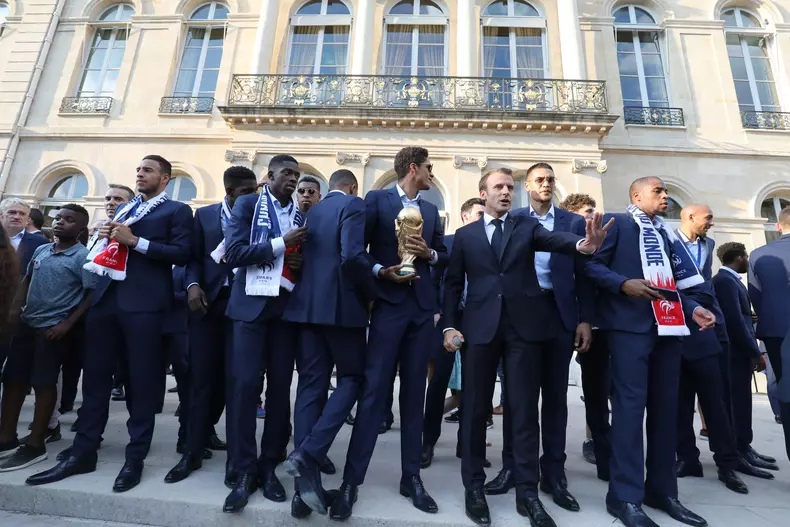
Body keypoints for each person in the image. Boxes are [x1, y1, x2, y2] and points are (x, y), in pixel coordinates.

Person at [443, 168, 610, 527]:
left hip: (523, 331)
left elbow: (556, 241)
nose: (506, 192)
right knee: (474, 410)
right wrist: (449, 325)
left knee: (522, 411)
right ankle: (474, 488)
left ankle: (527, 493)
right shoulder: (466, 236)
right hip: (480, 331)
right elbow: (453, 284)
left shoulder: (526, 226)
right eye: (498, 187)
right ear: (483, 194)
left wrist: (583, 244)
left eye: (509, 187)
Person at [25, 155, 193, 492]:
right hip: (105, 302)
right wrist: (106, 236)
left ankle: (135, 456)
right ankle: (84, 451)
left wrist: (135, 242)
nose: (140, 174)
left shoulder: (175, 211)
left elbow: (183, 253)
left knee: (142, 383)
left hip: (144, 306)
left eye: (147, 170)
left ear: (164, 178)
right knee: (96, 380)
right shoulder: (127, 209)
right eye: (138, 169)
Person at [585, 177, 716, 527]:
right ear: (636, 195)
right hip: (629, 330)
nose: (665, 195)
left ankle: (662, 490)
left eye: (666, 191)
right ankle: (624, 497)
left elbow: (670, 285)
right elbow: (589, 266)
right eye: (658, 191)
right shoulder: (617, 223)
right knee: (629, 412)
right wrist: (622, 284)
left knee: (667, 412)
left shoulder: (668, 234)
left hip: (669, 330)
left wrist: (692, 309)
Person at [337, 147, 448, 521]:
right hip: (387, 308)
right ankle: (352, 481)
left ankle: (411, 477)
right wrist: (380, 273)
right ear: (413, 168)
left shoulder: (432, 211)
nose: (432, 173)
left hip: (421, 313)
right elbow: (356, 253)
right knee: (373, 393)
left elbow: (443, 256)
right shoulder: (377, 200)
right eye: (429, 167)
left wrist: (430, 253)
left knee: (414, 394)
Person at [485, 164, 595, 513]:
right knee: (517, 399)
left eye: (550, 180)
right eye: (540, 180)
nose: (546, 185)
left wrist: (585, 320)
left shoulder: (573, 224)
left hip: (560, 315)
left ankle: (554, 474)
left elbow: (585, 275)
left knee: (555, 399)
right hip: (520, 317)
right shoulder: (513, 218)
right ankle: (512, 469)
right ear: (527, 186)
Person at [282, 169, 372, 517]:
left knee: (309, 387)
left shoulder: (309, 210)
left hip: (305, 307)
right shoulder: (353, 204)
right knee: (353, 379)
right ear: (351, 187)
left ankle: (303, 492)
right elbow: (352, 256)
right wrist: (372, 290)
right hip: (342, 308)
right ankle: (309, 452)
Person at [222, 155, 308, 513]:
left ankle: (269, 465)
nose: (292, 180)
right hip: (250, 308)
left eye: (296, 175)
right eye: (286, 174)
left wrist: (300, 261)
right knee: (243, 388)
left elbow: (305, 256)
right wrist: (281, 244)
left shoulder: (303, 214)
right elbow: (235, 253)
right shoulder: (248, 204)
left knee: (278, 391)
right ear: (269, 176)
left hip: (285, 311)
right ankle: (243, 469)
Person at [164, 166, 258, 485]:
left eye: (254, 191)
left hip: (246, 307)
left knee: (238, 384)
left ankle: (236, 462)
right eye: (245, 193)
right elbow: (192, 258)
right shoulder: (204, 216)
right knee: (200, 379)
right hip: (207, 306)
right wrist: (191, 285)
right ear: (229, 192)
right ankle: (191, 451)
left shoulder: (262, 217)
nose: (253, 197)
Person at [0, 204, 93, 471]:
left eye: (69, 220)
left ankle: (36, 443)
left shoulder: (82, 257)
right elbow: (26, 280)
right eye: (59, 217)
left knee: (43, 382)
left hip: (53, 330)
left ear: (81, 229)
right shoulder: (42, 250)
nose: (60, 222)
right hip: (27, 325)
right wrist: (15, 310)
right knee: (13, 379)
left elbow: (90, 295)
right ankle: (6, 437)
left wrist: (67, 324)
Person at [673, 204, 749, 494]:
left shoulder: (709, 244)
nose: (712, 223)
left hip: (708, 333)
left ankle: (728, 464)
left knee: (715, 403)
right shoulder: (668, 243)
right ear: (690, 217)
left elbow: (706, 289)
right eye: (708, 218)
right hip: (678, 332)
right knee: (680, 404)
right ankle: (687, 459)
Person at [421, 197, 485, 469]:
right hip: (448, 320)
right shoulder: (447, 242)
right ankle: (427, 443)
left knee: (475, 386)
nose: (484, 218)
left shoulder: (492, 242)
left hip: (479, 321)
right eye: (479, 213)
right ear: (464, 215)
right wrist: (436, 312)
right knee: (438, 385)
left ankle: (467, 446)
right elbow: (433, 280)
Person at [712, 242, 778, 474]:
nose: (748, 260)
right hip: (734, 353)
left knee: (742, 401)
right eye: (745, 256)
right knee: (736, 402)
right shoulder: (724, 281)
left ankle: (745, 446)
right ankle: (738, 449)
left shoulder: (730, 281)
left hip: (737, 352)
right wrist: (754, 352)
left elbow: (740, 316)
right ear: (738, 257)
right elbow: (735, 322)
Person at [559, 193, 610, 475]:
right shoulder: (562, 242)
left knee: (597, 390)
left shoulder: (602, 242)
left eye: (593, 212)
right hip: (561, 320)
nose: (593, 217)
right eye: (587, 213)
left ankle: (599, 447)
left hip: (596, 324)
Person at [748, 206, 790, 460]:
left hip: (776, 332)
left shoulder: (759, 255)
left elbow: (756, 297)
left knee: (787, 395)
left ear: (778, 226)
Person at [0, 198, 48, 379]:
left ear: (28, 219)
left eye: (22, 214)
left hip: (14, 312)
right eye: (12, 212)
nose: (16, 216)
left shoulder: (40, 244)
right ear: (1, 215)